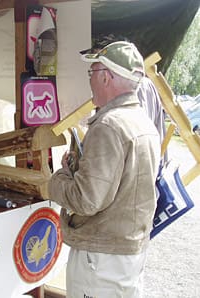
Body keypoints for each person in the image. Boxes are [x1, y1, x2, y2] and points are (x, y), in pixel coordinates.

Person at [47, 41, 161, 297]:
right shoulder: (144, 122)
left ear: (107, 77)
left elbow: (85, 200)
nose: (90, 80)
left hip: (101, 259)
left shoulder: (109, 126)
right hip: (127, 252)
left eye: (92, 73)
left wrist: (58, 179)